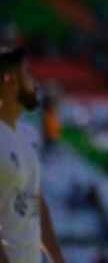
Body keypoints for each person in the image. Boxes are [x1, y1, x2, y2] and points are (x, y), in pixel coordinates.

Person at [0, 45, 67, 263]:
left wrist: (58, 259)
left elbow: (36, 201)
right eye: (28, 73)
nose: (35, 82)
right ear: (10, 80)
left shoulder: (28, 135)